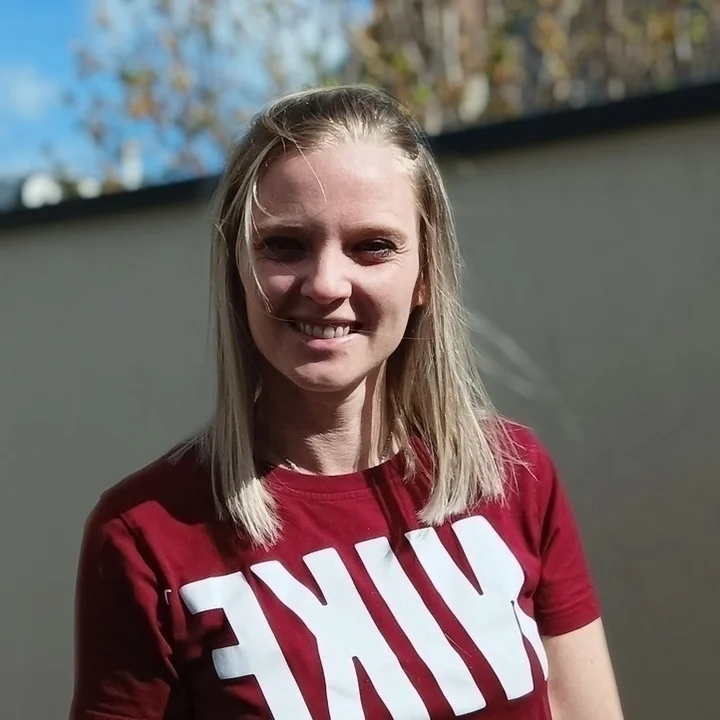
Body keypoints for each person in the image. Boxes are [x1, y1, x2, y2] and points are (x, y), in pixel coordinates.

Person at [70, 84, 624, 720]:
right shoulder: (143, 536)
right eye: (285, 244)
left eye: (373, 246)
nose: (327, 284)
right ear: (236, 271)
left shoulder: (513, 473)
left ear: (425, 275)